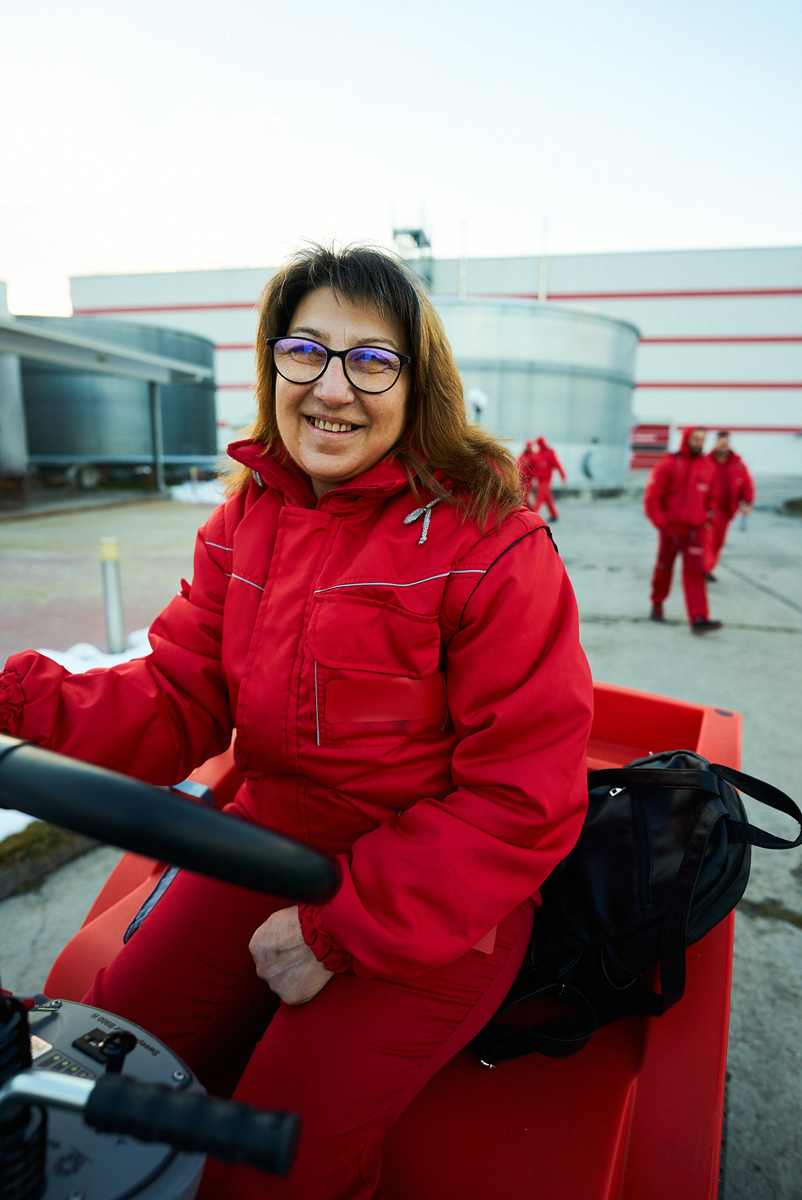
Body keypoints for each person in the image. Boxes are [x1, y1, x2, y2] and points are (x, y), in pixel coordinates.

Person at [0, 245, 593, 1200]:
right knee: (85, 1068)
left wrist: (337, 933)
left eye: (373, 360)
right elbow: (178, 697)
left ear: (418, 385)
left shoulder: (492, 544)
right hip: (266, 845)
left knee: (264, 1169)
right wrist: (14, 705)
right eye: (307, 350)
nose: (333, 387)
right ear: (274, 363)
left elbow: (521, 797)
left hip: (429, 899)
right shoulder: (248, 520)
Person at [644, 425, 722, 634]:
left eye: (702, 439)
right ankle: (657, 604)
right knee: (664, 570)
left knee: (695, 573)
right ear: (687, 439)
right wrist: (662, 525)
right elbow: (652, 498)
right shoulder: (669, 464)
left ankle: (699, 618)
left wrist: (708, 518)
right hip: (671, 531)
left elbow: (713, 499)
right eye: (696, 438)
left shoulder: (708, 467)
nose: (699, 443)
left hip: (696, 532)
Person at [704, 430, 755, 581]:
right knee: (707, 541)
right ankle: (704, 569)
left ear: (729, 444)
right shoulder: (705, 462)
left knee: (718, 543)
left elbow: (746, 484)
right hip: (708, 510)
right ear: (715, 444)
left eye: (726, 444)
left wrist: (748, 503)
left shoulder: (737, 464)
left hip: (726, 511)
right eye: (721, 443)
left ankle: (708, 568)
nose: (723, 446)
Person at [517, 436, 566, 521]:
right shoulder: (536, 454)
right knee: (546, 496)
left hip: (546, 479)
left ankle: (533, 515)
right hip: (538, 479)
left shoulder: (549, 453)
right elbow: (531, 465)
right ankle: (554, 515)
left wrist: (563, 477)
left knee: (540, 497)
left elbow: (557, 465)